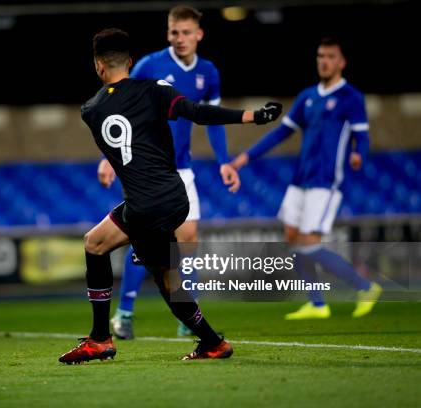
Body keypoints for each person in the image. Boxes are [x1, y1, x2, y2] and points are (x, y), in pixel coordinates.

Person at [58, 28, 281, 364]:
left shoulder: (90, 110)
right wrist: (251, 116)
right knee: (113, 250)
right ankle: (212, 343)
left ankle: (102, 339)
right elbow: (196, 112)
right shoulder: (155, 90)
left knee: (110, 252)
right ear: (131, 62)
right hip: (174, 197)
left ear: (98, 66)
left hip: (145, 205)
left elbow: (126, 147)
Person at [98, 5, 240, 339]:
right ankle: (124, 314)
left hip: (183, 169)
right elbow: (118, 110)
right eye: (174, 32)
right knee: (145, 242)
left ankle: (186, 317)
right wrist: (109, 157)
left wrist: (224, 160)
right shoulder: (150, 65)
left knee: (187, 241)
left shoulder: (209, 72)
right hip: (147, 166)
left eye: (186, 32)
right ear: (168, 33)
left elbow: (213, 119)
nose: (180, 39)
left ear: (199, 35)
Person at [230, 37, 382, 320]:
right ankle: (317, 303)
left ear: (341, 62)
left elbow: (362, 135)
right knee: (292, 238)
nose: (324, 61)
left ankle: (365, 286)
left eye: (330, 56)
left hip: (325, 182)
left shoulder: (351, 97)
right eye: (320, 56)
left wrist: (359, 153)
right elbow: (281, 132)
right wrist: (245, 157)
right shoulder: (307, 96)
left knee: (309, 243)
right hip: (300, 179)